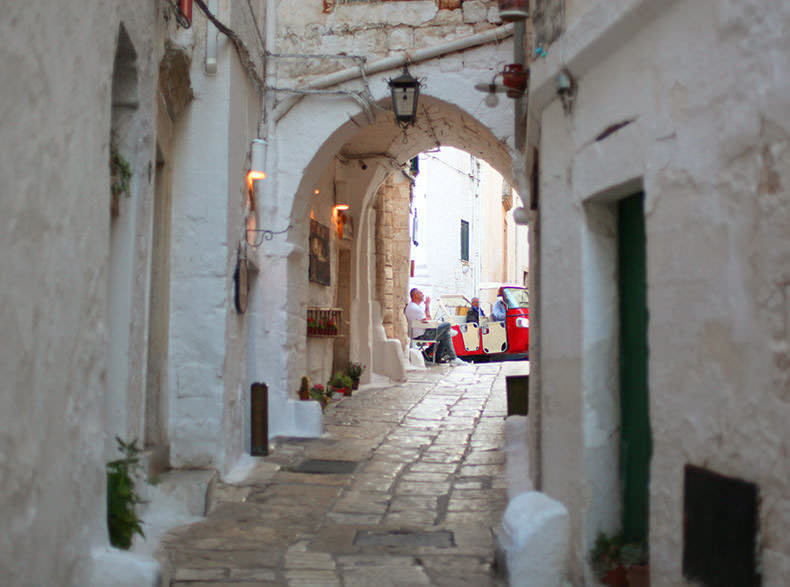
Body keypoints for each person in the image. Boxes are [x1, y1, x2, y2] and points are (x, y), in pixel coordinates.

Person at [404, 288, 464, 365]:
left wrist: (427, 305)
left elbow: (426, 318)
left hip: (419, 333)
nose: (423, 295)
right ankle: (453, 357)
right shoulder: (415, 308)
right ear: (415, 295)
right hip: (422, 335)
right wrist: (428, 305)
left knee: (446, 335)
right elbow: (428, 318)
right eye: (421, 293)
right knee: (447, 325)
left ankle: (439, 357)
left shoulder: (414, 306)